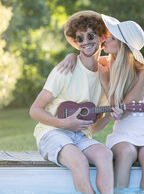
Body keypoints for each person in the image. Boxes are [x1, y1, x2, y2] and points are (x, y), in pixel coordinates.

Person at [58, 15, 144, 190]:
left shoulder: (143, 73)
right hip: (123, 134)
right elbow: (84, 58)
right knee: (125, 153)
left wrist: (106, 83)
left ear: (122, 45)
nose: (105, 40)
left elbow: (123, 110)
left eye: (111, 38)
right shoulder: (104, 63)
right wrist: (71, 57)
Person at [29, 10, 114, 194]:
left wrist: (109, 117)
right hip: (51, 132)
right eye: (80, 39)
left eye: (90, 35)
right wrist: (63, 123)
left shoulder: (104, 74)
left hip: (79, 136)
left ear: (101, 37)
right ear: (76, 43)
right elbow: (35, 110)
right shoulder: (65, 69)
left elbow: (93, 128)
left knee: (105, 154)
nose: (86, 42)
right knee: (79, 161)